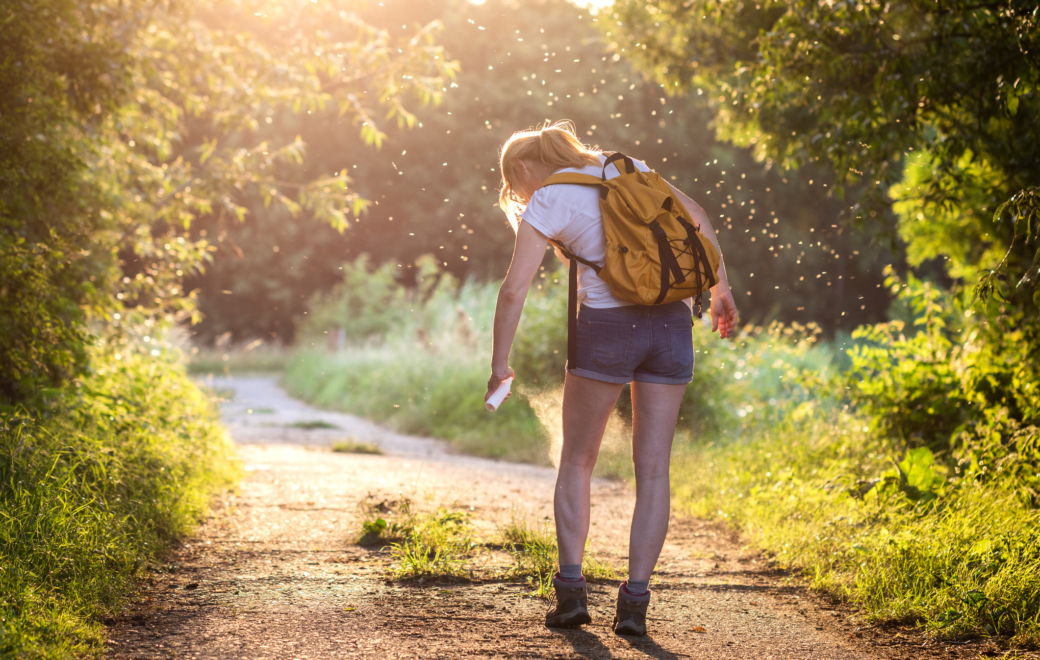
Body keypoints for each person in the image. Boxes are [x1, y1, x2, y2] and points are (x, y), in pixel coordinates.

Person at [485, 120, 739, 636]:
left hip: (606, 328)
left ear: (522, 169)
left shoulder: (550, 198)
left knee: (577, 459)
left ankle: (573, 596)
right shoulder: (627, 168)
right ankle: (635, 606)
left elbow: (514, 291)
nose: (519, 195)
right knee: (653, 471)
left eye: (515, 186)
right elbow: (698, 216)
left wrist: (499, 364)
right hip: (671, 324)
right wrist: (720, 290)